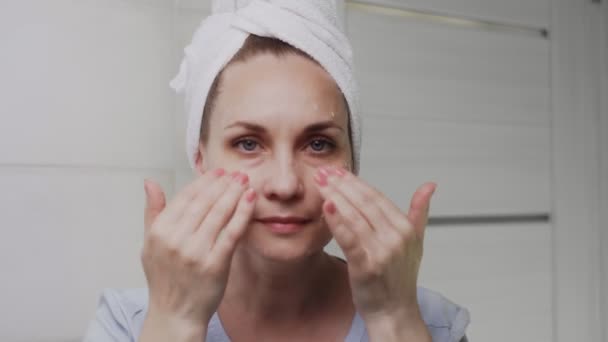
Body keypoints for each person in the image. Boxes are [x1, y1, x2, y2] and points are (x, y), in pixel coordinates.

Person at [84, 1, 470, 341]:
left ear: (352, 160)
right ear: (200, 158)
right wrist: (175, 323)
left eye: (318, 144)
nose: (285, 185)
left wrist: (394, 319)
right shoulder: (126, 326)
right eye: (248, 143)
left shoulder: (433, 325)